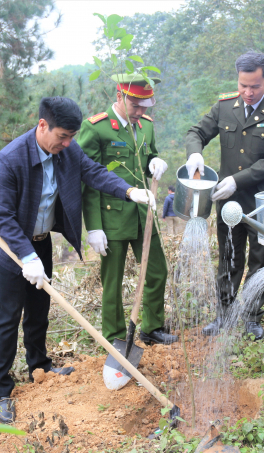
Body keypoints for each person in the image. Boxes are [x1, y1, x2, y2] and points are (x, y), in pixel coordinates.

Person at [0, 96, 155, 424]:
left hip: (41, 243)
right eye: (62, 136)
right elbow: (3, 217)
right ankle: (1, 389)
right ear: (42, 126)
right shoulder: (11, 159)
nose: (66, 143)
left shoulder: (68, 151)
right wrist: (25, 257)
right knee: (7, 319)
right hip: (10, 249)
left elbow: (93, 173)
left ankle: (40, 367)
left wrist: (129, 191)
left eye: (71, 137)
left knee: (39, 311)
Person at [184, 52, 264, 340]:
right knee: (229, 259)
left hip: (262, 205)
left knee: (260, 262)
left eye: (255, 86)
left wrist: (236, 180)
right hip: (228, 202)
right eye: (243, 85)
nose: (247, 92)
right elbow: (196, 131)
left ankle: (251, 317)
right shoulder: (224, 107)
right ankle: (224, 314)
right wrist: (195, 152)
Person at [78, 74, 177, 346]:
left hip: (144, 214)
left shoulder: (145, 126)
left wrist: (155, 162)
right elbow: (88, 179)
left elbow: (147, 159)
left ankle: (152, 327)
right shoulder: (96, 128)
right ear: (120, 97)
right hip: (112, 217)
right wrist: (94, 226)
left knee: (157, 271)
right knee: (114, 281)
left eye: (146, 106)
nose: (141, 111)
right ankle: (115, 337)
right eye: (135, 105)